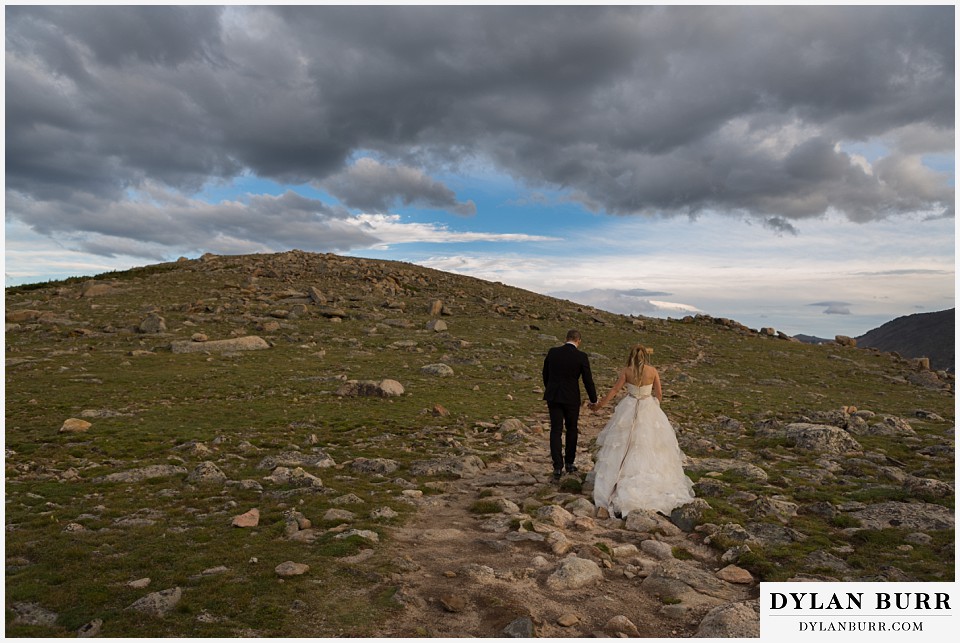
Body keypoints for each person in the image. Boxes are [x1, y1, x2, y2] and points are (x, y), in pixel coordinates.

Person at [589, 344, 694, 517]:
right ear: (646, 356)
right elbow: (659, 393)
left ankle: (615, 482)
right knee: (648, 445)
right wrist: (655, 408)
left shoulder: (626, 371)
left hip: (629, 406)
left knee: (624, 445)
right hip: (648, 407)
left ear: (631, 356)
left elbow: (615, 390)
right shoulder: (652, 371)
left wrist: (600, 405)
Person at [542, 329, 598, 480]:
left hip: (553, 396)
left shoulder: (553, 352)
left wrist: (550, 388)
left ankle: (557, 466)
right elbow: (587, 379)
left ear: (565, 338)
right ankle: (569, 463)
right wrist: (594, 399)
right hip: (571, 397)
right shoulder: (581, 356)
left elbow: (545, 373)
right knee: (572, 429)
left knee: (555, 430)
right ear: (578, 341)